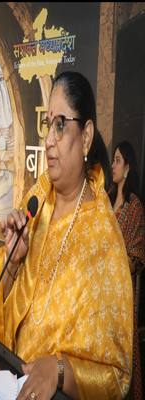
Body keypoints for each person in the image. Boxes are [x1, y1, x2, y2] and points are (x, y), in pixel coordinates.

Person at [0, 71, 132, 399]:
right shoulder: (37, 200)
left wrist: (59, 368)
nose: (49, 141)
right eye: (48, 124)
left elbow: (116, 375)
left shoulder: (102, 237)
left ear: (86, 136)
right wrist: (12, 263)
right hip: (11, 385)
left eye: (60, 125)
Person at [109, 140, 144, 399]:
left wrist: (115, 265)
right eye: (113, 160)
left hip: (120, 295)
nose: (113, 165)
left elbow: (137, 256)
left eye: (118, 160)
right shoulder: (105, 202)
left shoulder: (134, 208)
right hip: (98, 292)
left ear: (128, 167)